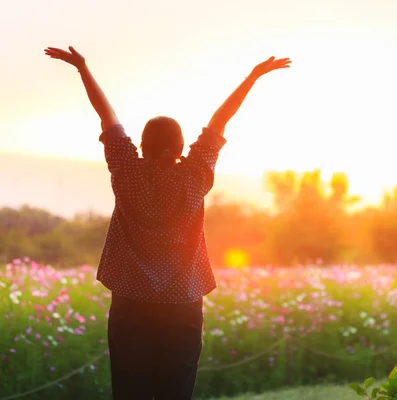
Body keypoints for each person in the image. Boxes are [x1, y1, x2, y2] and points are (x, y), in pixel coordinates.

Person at [44, 45, 291, 399]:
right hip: (183, 307)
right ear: (181, 147)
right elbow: (220, 122)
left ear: (141, 145)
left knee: (130, 392)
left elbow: (107, 118)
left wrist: (83, 69)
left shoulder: (126, 170)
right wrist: (252, 77)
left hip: (130, 304)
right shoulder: (195, 174)